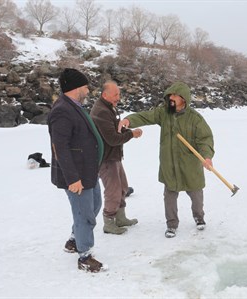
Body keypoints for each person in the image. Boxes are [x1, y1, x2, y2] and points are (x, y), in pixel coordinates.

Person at [119, 81, 214, 238]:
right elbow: (146, 116)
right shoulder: (163, 113)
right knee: (169, 195)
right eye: (170, 95)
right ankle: (171, 224)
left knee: (196, 194)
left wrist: (207, 157)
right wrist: (129, 120)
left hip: (189, 164)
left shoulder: (195, 119)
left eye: (175, 95)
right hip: (169, 164)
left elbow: (205, 139)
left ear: (184, 99)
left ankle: (199, 217)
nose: (171, 98)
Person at [48, 68, 106, 273]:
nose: (88, 90)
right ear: (75, 88)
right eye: (85, 86)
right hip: (77, 175)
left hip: (88, 170)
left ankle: (74, 239)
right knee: (84, 214)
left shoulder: (74, 106)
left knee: (95, 205)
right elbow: (60, 147)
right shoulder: (62, 110)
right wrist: (72, 178)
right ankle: (84, 255)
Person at [90, 81, 143, 235]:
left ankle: (120, 218)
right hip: (106, 158)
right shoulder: (101, 111)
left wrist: (124, 129)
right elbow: (112, 138)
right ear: (104, 95)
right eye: (115, 95)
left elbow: (114, 130)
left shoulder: (108, 107)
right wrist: (131, 134)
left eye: (118, 94)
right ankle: (109, 222)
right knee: (113, 190)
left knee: (123, 187)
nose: (118, 98)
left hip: (114, 155)